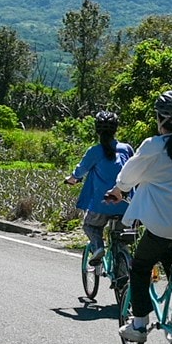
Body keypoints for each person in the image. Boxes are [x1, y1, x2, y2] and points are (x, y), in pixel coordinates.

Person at [105, 90, 172, 343]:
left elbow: (128, 177)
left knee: (140, 267)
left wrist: (118, 191)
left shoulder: (153, 146)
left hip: (163, 227)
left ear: (159, 119)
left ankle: (139, 325)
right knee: (169, 253)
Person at [65, 111, 134, 265]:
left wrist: (72, 179)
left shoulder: (94, 151)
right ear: (116, 129)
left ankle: (98, 248)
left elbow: (80, 171)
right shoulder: (126, 149)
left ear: (97, 130)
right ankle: (124, 266)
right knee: (120, 236)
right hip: (126, 204)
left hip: (101, 203)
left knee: (90, 226)